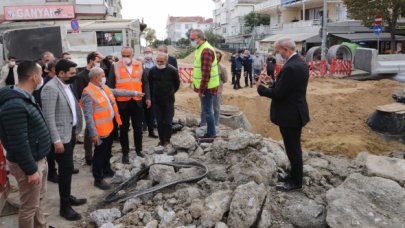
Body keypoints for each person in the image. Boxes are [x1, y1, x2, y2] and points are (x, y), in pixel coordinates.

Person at [0, 61, 52, 228]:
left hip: (38, 158)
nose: (42, 78)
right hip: (29, 164)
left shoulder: (24, 97)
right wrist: (30, 170)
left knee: (38, 200)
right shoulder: (14, 105)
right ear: (34, 77)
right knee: (29, 207)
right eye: (40, 75)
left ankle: (41, 226)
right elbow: (18, 141)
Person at [257, 38, 310, 192]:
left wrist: (261, 89)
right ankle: (293, 175)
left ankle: (296, 181)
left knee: (293, 149)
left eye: (278, 51)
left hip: (290, 115)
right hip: (294, 112)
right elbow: (287, 88)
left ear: (286, 49)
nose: (277, 54)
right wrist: (273, 82)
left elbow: (279, 94)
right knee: (292, 148)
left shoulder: (291, 67)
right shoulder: (299, 63)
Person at [81, 67, 144, 190]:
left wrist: (135, 93)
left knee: (107, 152)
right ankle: (98, 179)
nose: (104, 77)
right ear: (95, 77)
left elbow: (118, 92)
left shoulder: (103, 87)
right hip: (99, 131)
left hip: (109, 127)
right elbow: (88, 116)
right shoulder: (88, 92)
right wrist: (93, 133)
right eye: (102, 75)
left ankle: (107, 170)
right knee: (99, 154)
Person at [41, 59, 87, 221]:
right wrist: (56, 140)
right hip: (60, 138)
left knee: (67, 170)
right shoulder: (50, 89)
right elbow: (48, 118)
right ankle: (64, 207)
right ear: (61, 73)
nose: (75, 76)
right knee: (66, 170)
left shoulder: (67, 84)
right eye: (72, 73)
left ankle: (67, 197)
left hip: (70, 133)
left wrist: (76, 130)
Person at [107, 47, 151, 163]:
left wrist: (148, 98)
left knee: (138, 128)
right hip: (122, 102)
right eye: (124, 55)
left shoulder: (139, 65)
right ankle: (125, 153)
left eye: (128, 55)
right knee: (124, 128)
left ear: (133, 55)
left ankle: (139, 150)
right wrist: (112, 100)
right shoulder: (115, 66)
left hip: (137, 101)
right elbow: (110, 85)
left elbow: (145, 82)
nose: (126, 58)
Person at [190, 29, 220, 143]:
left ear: (200, 38)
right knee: (207, 110)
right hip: (206, 86)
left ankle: (211, 134)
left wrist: (201, 90)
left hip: (207, 87)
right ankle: (210, 132)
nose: (191, 41)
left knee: (208, 111)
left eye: (193, 39)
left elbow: (206, 73)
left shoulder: (206, 50)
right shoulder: (201, 48)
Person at [73, 51, 103, 166]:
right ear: (91, 61)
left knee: (98, 128)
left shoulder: (99, 73)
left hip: (99, 106)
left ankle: (99, 151)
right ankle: (89, 156)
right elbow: (81, 93)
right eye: (97, 61)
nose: (99, 64)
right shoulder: (81, 76)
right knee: (89, 131)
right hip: (88, 106)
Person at [148, 52, 180, 146]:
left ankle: (167, 139)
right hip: (157, 101)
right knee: (159, 121)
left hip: (169, 100)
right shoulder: (152, 70)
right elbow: (150, 84)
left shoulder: (172, 70)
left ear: (166, 61)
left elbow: (177, 84)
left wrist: (170, 92)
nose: (159, 63)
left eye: (161, 61)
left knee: (168, 121)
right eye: (157, 61)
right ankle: (161, 139)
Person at [200, 50, 228, 127]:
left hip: (217, 92)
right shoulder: (206, 66)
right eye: (215, 57)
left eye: (218, 58)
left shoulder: (222, 68)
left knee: (216, 109)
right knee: (204, 109)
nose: (216, 60)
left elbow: (225, 79)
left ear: (220, 59)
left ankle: (215, 125)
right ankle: (203, 124)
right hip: (206, 90)